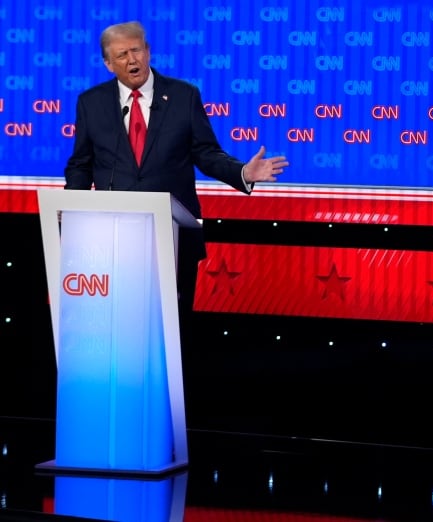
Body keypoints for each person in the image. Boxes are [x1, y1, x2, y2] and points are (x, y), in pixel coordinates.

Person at [63, 21, 289, 327]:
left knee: (172, 328)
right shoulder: (91, 102)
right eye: (121, 55)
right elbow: (81, 163)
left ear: (148, 51)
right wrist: (73, 209)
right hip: (114, 237)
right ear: (108, 64)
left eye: (137, 50)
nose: (132, 60)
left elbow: (206, 153)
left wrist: (242, 172)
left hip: (173, 235)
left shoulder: (183, 96)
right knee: (118, 325)